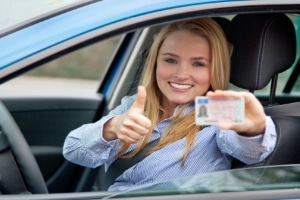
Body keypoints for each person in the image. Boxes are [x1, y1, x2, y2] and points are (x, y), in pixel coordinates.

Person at [63, 18, 277, 191]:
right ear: (155, 62)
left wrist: (253, 130)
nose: (181, 74)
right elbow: (73, 150)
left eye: (198, 64)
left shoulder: (215, 110)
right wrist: (112, 128)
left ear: (215, 70)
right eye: (171, 60)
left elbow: (251, 150)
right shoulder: (135, 106)